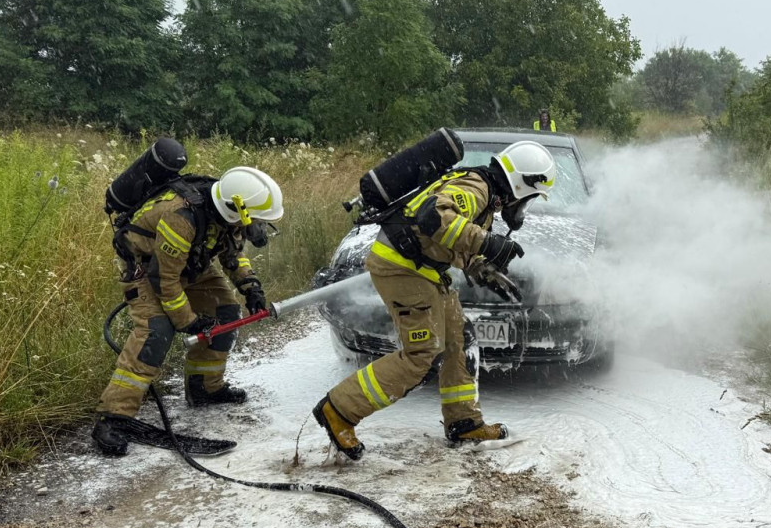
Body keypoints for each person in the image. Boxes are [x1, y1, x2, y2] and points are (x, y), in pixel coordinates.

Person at [313, 141, 558, 460]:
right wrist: (488, 241)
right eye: (531, 197)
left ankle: (464, 422)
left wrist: (483, 270)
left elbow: (450, 241)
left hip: (425, 270)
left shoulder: (484, 194)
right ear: (523, 183)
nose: (525, 206)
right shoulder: (476, 187)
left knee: (460, 338)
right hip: (402, 268)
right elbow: (434, 218)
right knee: (421, 355)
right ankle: (339, 410)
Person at [92, 165, 284, 455]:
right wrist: (190, 321)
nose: (258, 227)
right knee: (156, 331)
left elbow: (233, 254)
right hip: (147, 270)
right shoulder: (181, 217)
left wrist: (250, 287)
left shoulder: (226, 214)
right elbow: (165, 281)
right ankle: (113, 418)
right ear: (239, 209)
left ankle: (204, 388)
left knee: (226, 312)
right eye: (256, 220)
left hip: (190, 264)